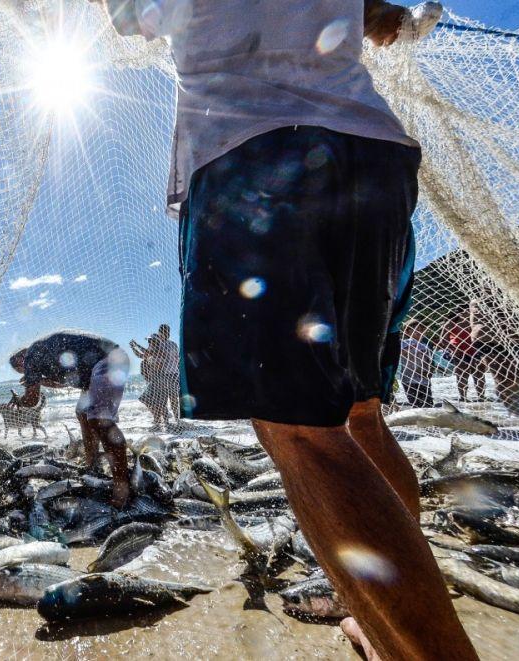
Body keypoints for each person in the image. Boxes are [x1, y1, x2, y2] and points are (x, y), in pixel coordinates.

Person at [92, 1, 476, 659]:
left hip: (253, 158)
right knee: (362, 416)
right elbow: (380, 18)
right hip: (374, 160)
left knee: (300, 430)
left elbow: (131, 18)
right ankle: (375, 613)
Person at [9, 331, 131, 506]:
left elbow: (32, 400)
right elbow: (62, 382)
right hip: (99, 366)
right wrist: (39, 381)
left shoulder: (31, 356)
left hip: (107, 361)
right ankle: (92, 464)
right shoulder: (44, 353)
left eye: (21, 369)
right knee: (82, 414)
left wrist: (18, 401)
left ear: (21, 359)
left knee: (98, 420)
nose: (25, 373)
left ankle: (122, 487)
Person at [470, 299, 519, 413]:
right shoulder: (477, 301)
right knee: (499, 377)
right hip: (487, 341)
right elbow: (474, 322)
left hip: (507, 340)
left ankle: (513, 406)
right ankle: (511, 409)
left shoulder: (507, 298)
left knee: (515, 376)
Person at [441, 309, 485, 401]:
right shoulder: (452, 322)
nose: (466, 313)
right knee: (462, 375)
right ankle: (463, 398)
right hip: (460, 352)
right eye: (463, 311)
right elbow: (443, 339)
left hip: (475, 351)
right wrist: (452, 349)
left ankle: (481, 397)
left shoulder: (474, 321)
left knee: (479, 374)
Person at [132, 333, 171, 428]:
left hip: (160, 379)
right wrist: (135, 347)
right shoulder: (153, 351)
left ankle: (162, 421)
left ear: (155, 342)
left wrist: (135, 346)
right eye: (149, 341)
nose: (149, 342)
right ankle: (159, 419)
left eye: (150, 341)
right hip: (156, 379)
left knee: (156, 400)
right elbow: (143, 354)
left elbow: (143, 354)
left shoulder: (159, 351)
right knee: (154, 400)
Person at [399, 320, 435, 408]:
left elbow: (429, 361)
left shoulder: (425, 346)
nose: (418, 332)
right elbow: (403, 354)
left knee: (428, 404)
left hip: (424, 379)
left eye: (421, 330)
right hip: (409, 379)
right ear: (407, 332)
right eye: (414, 329)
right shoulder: (404, 343)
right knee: (415, 404)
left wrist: (430, 371)